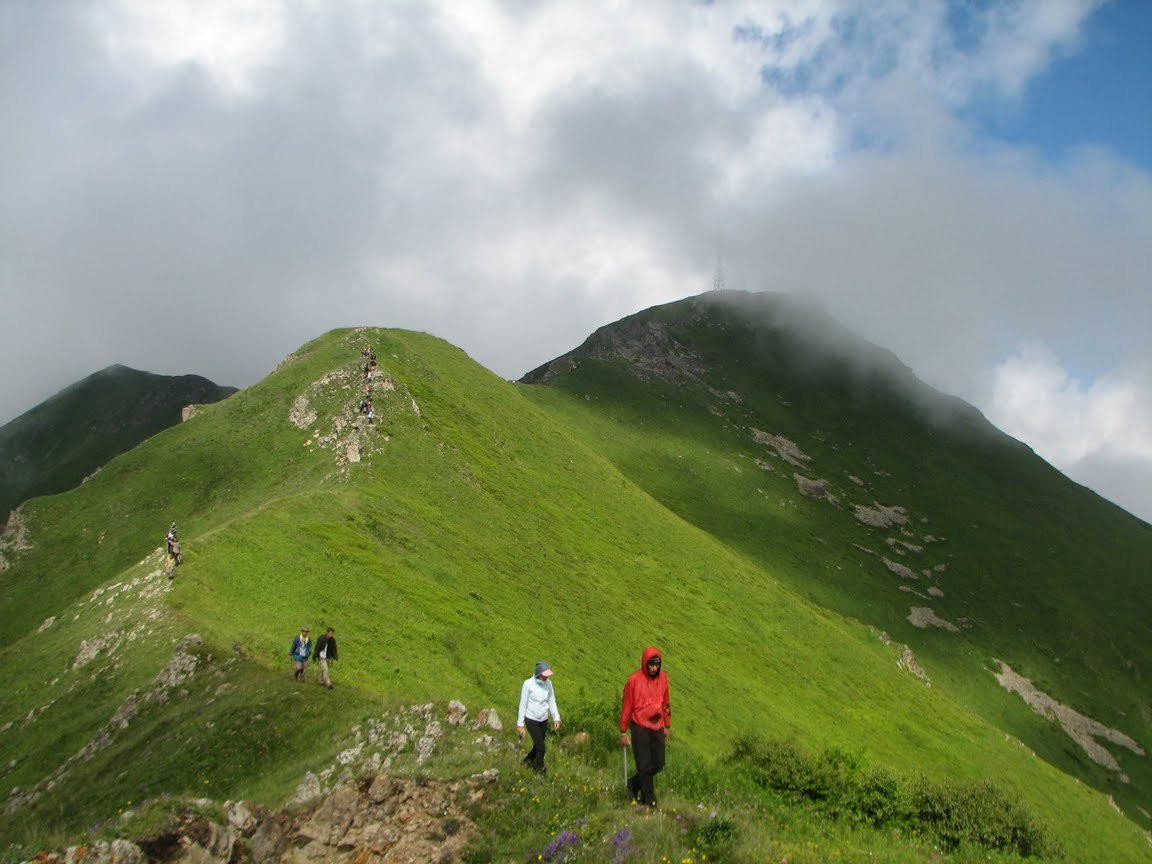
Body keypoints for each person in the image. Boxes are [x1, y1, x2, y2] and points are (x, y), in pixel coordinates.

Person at [619, 646, 671, 807]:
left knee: (658, 763)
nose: (654, 668)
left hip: (657, 725)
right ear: (645, 664)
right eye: (651, 665)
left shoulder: (663, 678)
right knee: (644, 765)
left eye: (657, 665)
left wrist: (667, 725)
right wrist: (623, 731)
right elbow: (627, 706)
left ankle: (633, 784)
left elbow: (666, 702)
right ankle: (650, 801)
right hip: (639, 726)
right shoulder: (633, 681)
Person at [517, 661, 561, 774]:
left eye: (547, 675)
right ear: (538, 674)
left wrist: (556, 718)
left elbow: (551, 700)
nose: (546, 677)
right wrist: (520, 724)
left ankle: (526, 762)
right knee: (541, 747)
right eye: (544, 675)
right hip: (531, 720)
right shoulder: (528, 684)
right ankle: (539, 768)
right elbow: (523, 704)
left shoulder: (549, 684)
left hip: (543, 720)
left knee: (537, 746)